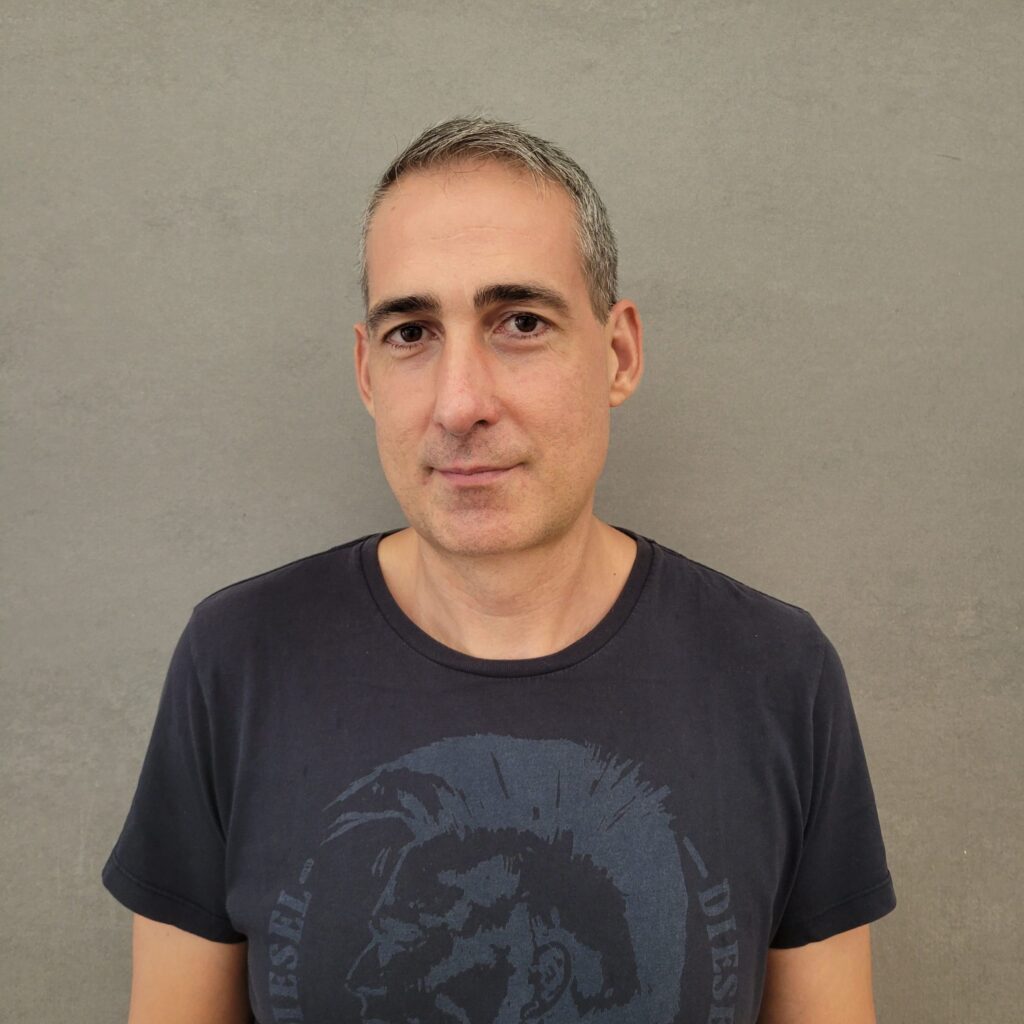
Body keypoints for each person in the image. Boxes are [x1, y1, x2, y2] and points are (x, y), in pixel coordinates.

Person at [103, 117, 896, 1024]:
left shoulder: (774, 672)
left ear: (619, 354)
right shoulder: (241, 660)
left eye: (521, 323)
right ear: (367, 374)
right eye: (412, 332)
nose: (460, 403)